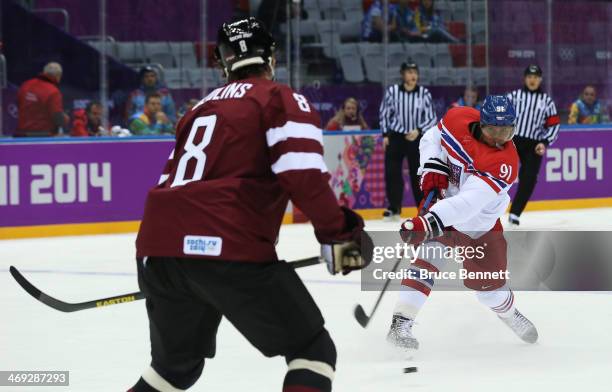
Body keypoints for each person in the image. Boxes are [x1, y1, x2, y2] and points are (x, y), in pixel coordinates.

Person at [128, 18, 370, 392]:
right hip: (226, 246)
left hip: (158, 249)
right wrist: (340, 235)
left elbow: (172, 179)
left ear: (222, 61)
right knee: (312, 351)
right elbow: (302, 175)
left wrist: (177, 264)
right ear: (271, 57)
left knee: (173, 370)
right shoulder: (280, 98)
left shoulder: (197, 110)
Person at [387, 96, 539, 351]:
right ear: (481, 123)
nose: (501, 138)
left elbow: (467, 204)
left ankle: (510, 313)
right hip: (446, 209)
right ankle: (400, 323)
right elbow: (431, 138)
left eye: (507, 131)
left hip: (479, 225)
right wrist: (431, 166)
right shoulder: (457, 118)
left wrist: (428, 221)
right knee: (426, 261)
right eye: (494, 130)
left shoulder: (504, 163)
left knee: (489, 289)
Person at [379, 61, 437, 221]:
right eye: (409, 72)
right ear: (402, 74)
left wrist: (418, 130)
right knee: (392, 172)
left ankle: (421, 207)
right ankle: (394, 207)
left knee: (417, 174)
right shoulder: (393, 91)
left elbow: (432, 117)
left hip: (416, 137)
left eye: (415, 72)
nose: (413, 75)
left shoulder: (424, 93)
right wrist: (385, 135)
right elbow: (384, 113)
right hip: (396, 136)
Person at [507, 64, 560, 226]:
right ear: (525, 78)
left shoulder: (547, 101)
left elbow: (554, 125)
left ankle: (515, 214)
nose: (532, 80)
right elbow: (500, 115)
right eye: (530, 77)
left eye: (536, 77)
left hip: (534, 145)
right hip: (512, 141)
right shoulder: (513, 97)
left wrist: (544, 142)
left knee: (529, 179)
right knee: (498, 173)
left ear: (540, 80)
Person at [16, 62, 68, 137]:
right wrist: (65, 119)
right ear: (58, 76)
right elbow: (57, 118)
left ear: (44, 72)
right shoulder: (53, 91)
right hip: (43, 136)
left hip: (21, 134)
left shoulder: (25, 85)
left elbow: (18, 104)